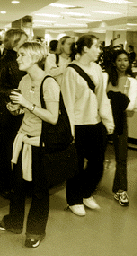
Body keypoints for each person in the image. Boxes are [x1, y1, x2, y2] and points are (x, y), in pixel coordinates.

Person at [0, 42, 60, 248]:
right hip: (23, 139)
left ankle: (35, 230)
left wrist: (26, 103)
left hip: (41, 143)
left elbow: (52, 118)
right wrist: (15, 108)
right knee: (17, 186)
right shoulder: (24, 79)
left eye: (22, 55)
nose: (18, 58)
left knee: (39, 191)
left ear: (34, 57)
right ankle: (14, 221)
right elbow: (23, 110)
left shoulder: (49, 83)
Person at [60, 34, 114, 217]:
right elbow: (67, 102)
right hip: (78, 124)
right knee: (75, 165)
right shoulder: (70, 71)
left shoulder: (98, 69)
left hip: (95, 123)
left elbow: (101, 97)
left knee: (97, 163)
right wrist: (70, 131)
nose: (99, 50)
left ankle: (86, 193)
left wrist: (107, 120)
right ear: (85, 49)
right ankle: (74, 199)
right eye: (96, 46)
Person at [0, 28, 28, 199]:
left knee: (17, 148)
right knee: (7, 149)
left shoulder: (22, 61)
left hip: (20, 110)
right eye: (24, 41)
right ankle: (3, 185)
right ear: (14, 43)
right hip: (8, 113)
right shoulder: (4, 63)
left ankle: (14, 182)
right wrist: (17, 94)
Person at [103, 49, 137, 206]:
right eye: (119, 60)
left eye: (126, 60)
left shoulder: (132, 81)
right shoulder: (106, 78)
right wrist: (117, 100)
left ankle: (121, 190)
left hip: (120, 120)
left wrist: (112, 101)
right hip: (101, 119)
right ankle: (88, 186)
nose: (123, 63)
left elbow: (130, 106)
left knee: (121, 157)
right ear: (114, 62)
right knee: (96, 155)